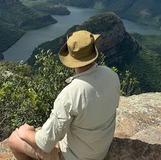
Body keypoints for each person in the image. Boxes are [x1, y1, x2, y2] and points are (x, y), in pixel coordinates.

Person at [9, 30, 120, 160]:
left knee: (13, 140)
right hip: (101, 150)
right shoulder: (111, 74)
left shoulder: (70, 94)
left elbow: (45, 143)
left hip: (74, 156)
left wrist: (25, 133)